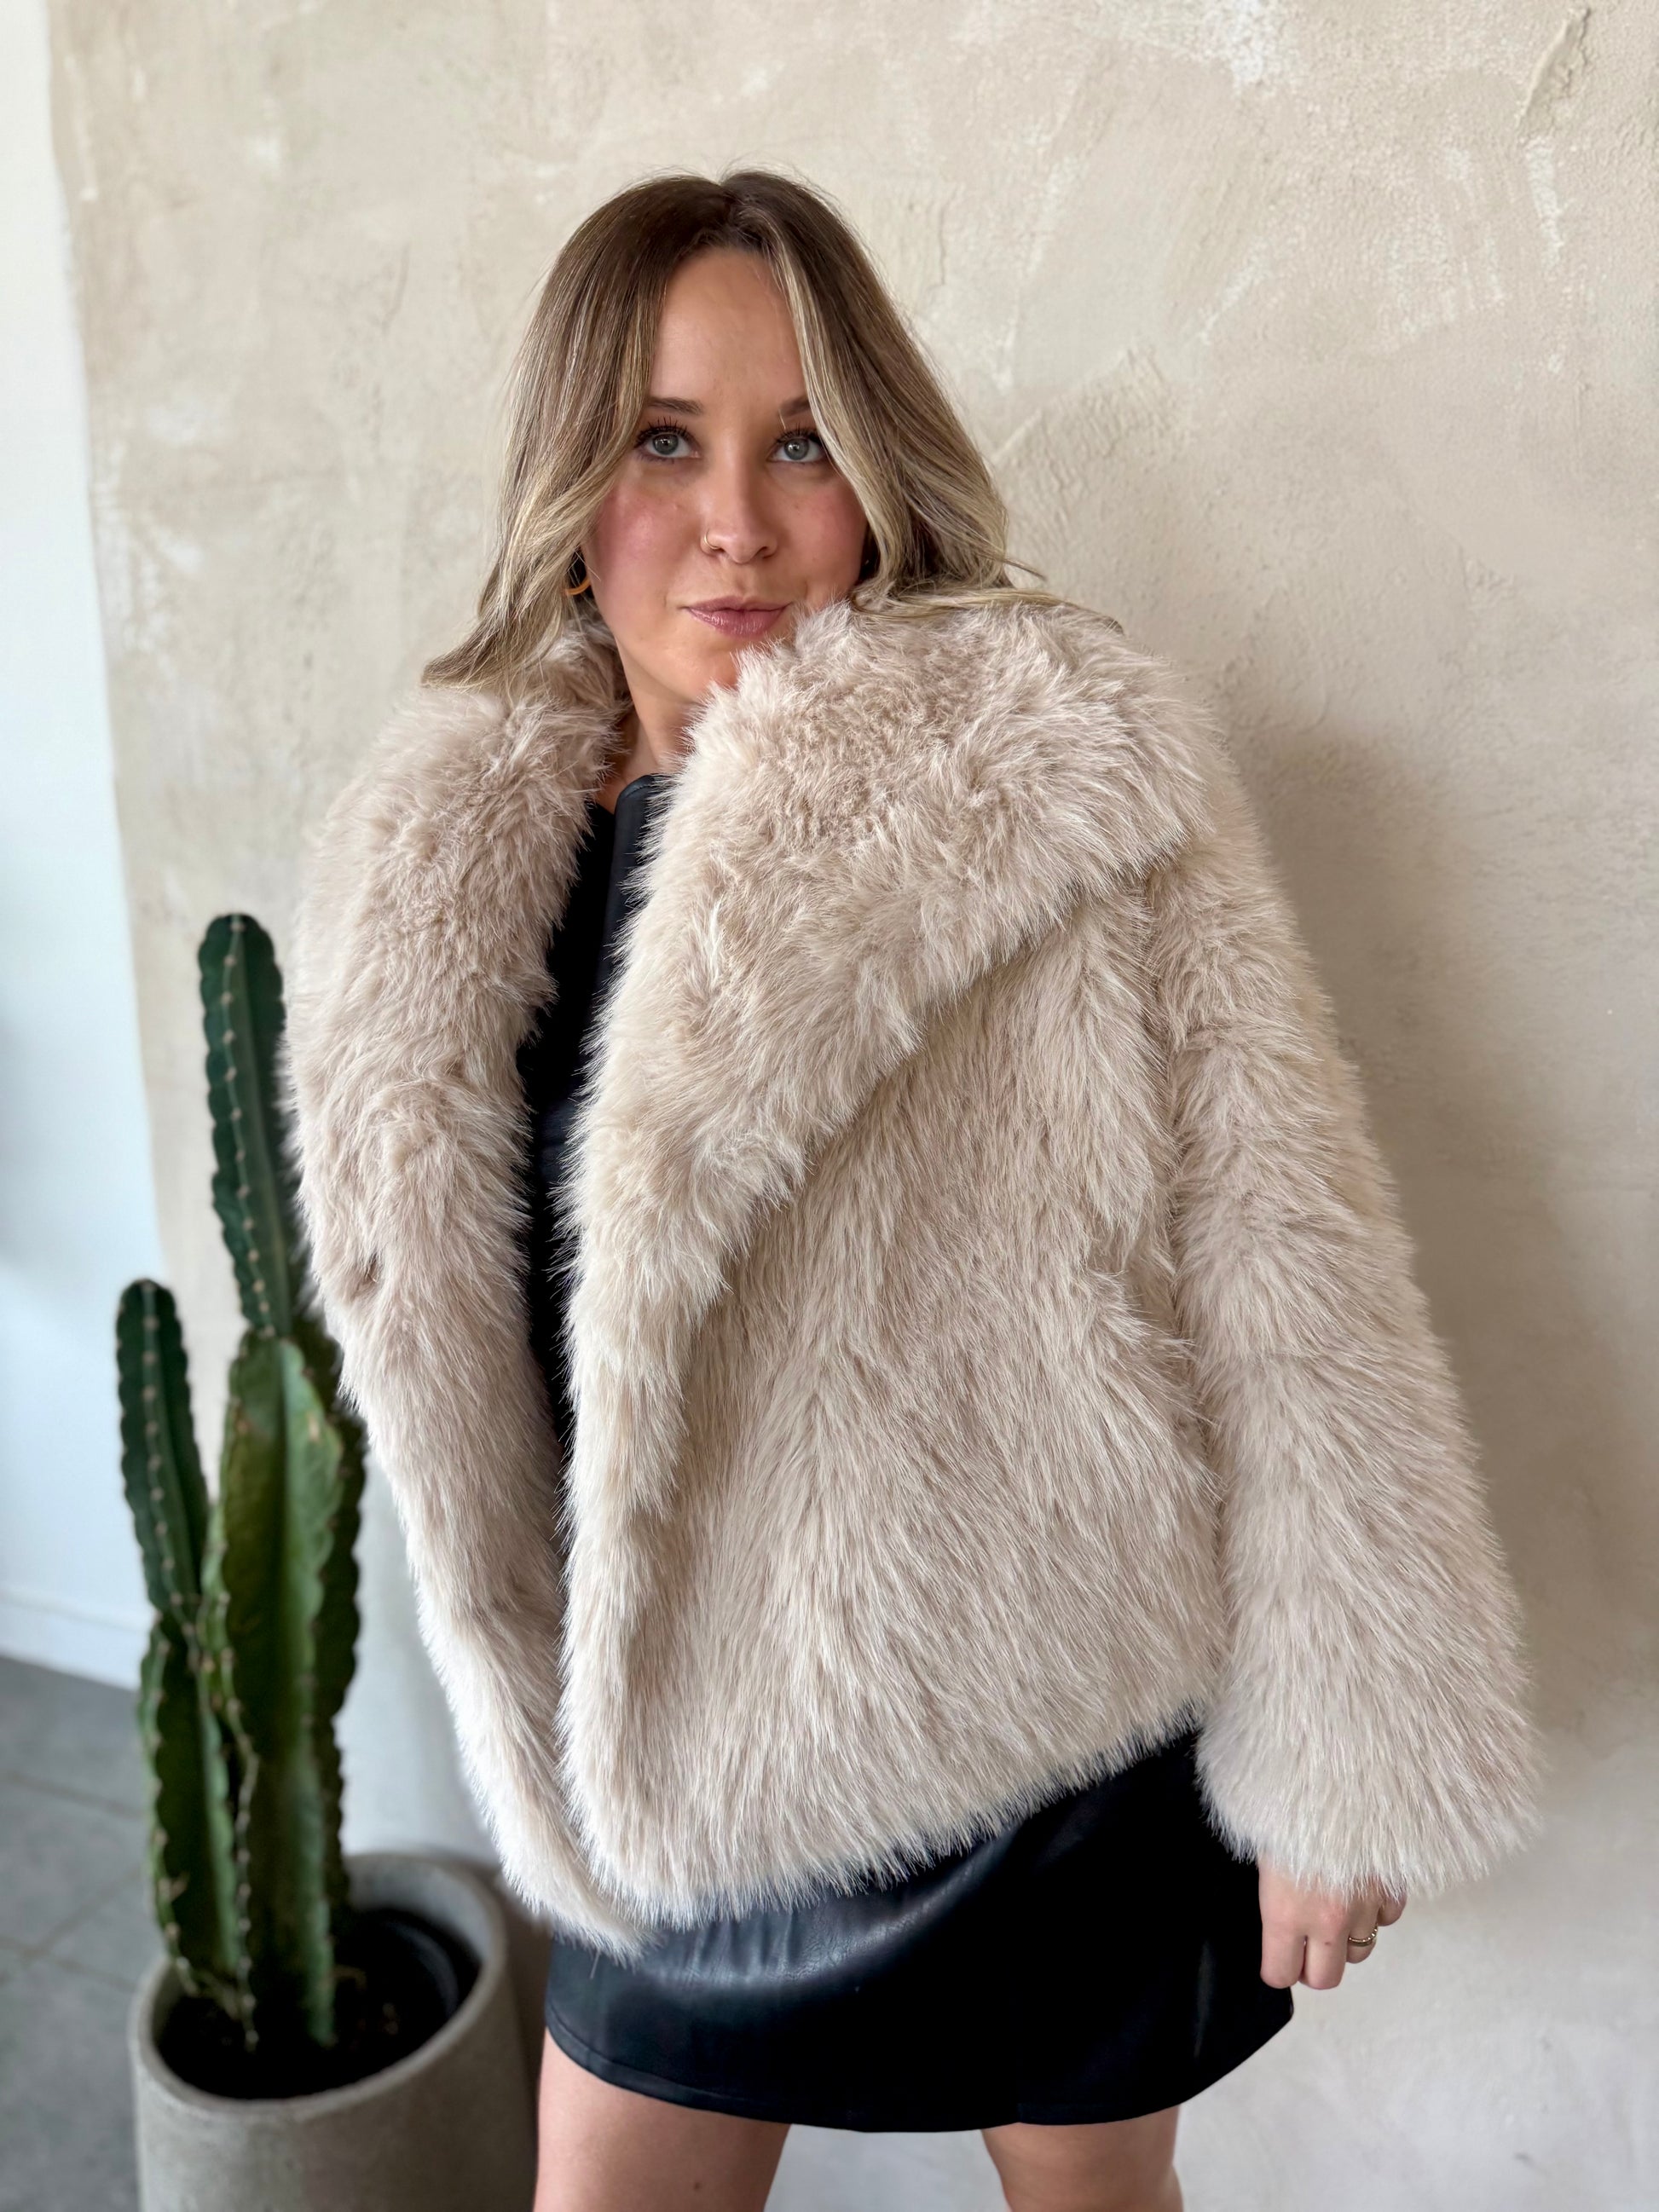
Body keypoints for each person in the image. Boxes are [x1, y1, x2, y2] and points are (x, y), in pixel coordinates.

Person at [286, 170, 1542, 2212]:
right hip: (662, 1777)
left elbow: (1288, 1266)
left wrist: (1349, 1743)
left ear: (876, 468)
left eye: (801, 444)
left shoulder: (1057, 775)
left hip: (1041, 1756)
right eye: (662, 440)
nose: (737, 521)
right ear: (567, 475)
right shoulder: (436, 854)